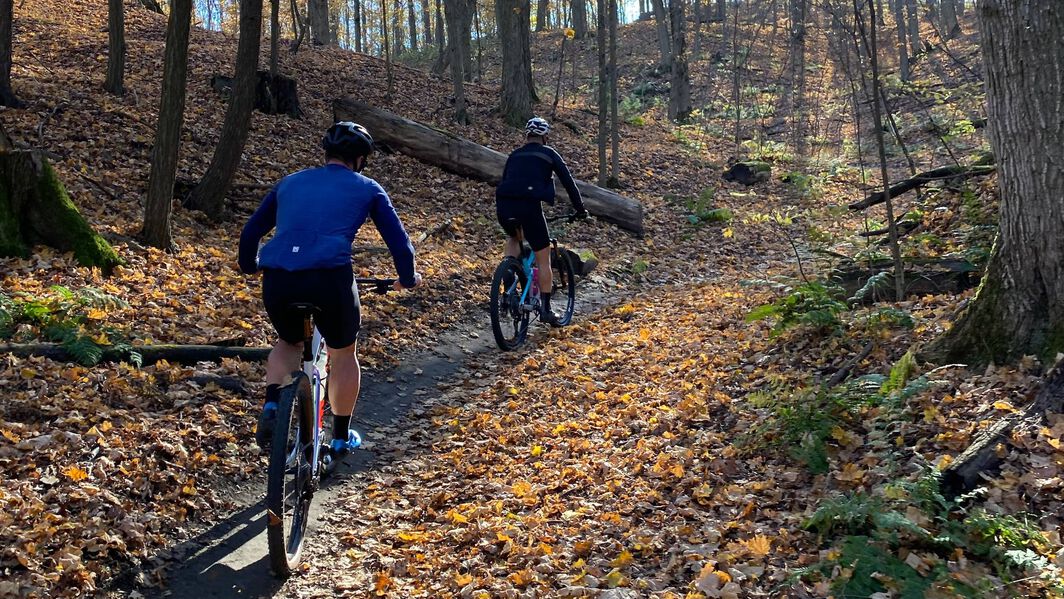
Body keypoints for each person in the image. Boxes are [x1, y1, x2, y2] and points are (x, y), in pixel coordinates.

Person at [238, 121, 421, 459]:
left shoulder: (289, 182)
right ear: (360, 159)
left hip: (279, 279)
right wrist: (407, 280)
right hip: (330, 279)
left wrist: (251, 266)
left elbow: (250, 234)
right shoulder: (368, 187)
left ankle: (271, 405)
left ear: (327, 153)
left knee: (288, 342)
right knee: (342, 353)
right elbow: (401, 246)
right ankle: (338, 437)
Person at [495, 117, 589, 325]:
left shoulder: (514, 155)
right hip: (529, 207)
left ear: (527, 135)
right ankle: (546, 311)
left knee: (514, 236)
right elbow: (569, 184)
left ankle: (508, 277)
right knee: (543, 256)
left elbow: (506, 180)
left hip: (504, 205)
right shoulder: (549, 154)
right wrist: (581, 210)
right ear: (545, 136)